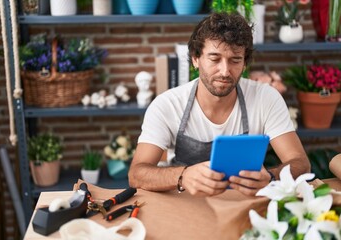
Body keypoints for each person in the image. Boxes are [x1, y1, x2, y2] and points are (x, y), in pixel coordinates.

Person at [128, 12, 310, 197]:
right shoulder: (167, 105)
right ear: (195, 59)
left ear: (245, 63)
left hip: (243, 204)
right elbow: (136, 174)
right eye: (214, 59)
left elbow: (300, 162)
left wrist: (272, 177)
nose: (225, 71)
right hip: (184, 203)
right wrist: (182, 176)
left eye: (235, 60)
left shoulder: (266, 98)